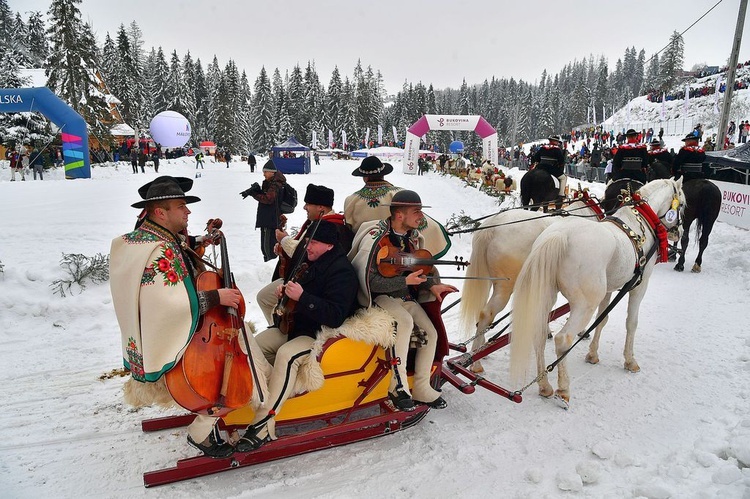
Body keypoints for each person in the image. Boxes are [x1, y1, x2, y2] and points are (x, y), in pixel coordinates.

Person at [109, 176, 243, 458]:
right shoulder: (160, 250)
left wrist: (202, 239)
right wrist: (217, 297)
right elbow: (169, 304)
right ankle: (214, 420)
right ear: (161, 212)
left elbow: (180, 247)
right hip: (172, 330)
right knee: (239, 358)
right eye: (182, 206)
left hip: (147, 332)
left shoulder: (143, 239)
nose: (188, 212)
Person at [235, 220, 359, 452]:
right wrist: (287, 294)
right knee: (251, 345)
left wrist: (303, 298)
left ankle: (264, 422)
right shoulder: (310, 260)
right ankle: (251, 394)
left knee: (286, 355)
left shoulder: (342, 271)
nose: (308, 247)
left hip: (318, 334)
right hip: (294, 326)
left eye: (314, 243)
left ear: (330, 246)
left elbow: (335, 316)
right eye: (308, 241)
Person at [348, 190, 457, 412]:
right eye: (416, 212)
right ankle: (397, 386)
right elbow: (369, 281)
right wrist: (404, 282)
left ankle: (421, 386)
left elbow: (418, 269)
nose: (421, 217)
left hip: (404, 296)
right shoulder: (375, 238)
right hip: (378, 297)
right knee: (404, 322)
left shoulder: (414, 238)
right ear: (399, 215)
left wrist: (431, 285)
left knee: (431, 333)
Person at [256, 184, 354, 325]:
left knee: (264, 298)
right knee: (264, 297)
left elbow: (305, 253)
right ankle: (279, 325)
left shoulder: (333, 228)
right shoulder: (315, 223)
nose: (304, 207)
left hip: (310, 283)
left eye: (308, 203)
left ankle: (281, 327)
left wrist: (284, 240)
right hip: (299, 277)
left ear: (321, 207)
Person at [240, 160, 286, 262]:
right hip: (269, 218)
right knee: (266, 244)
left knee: (268, 246)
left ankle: (270, 263)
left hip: (270, 219)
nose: (264, 174)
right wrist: (256, 190)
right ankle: (269, 261)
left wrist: (254, 194)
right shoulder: (272, 183)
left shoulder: (275, 184)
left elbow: (268, 199)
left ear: (271, 172)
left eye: (265, 172)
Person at [531, 135, 567, 207]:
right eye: (557, 142)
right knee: (563, 178)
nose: (557, 143)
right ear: (555, 142)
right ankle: (561, 194)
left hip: (540, 167)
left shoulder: (542, 148)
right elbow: (561, 161)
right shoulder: (557, 149)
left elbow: (536, 158)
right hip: (551, 169)